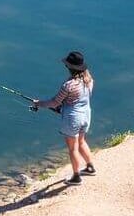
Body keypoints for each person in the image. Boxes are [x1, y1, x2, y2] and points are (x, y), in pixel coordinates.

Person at [33, 52, 96, 183]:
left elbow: (55, 102)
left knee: (72, 148)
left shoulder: (68, 85)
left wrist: (39, 103)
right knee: (82, 142)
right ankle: (90, 167)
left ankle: (76, 176)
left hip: (72, 118)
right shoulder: (89, 81)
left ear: (69, 67)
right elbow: (75, 100)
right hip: (86, 115)